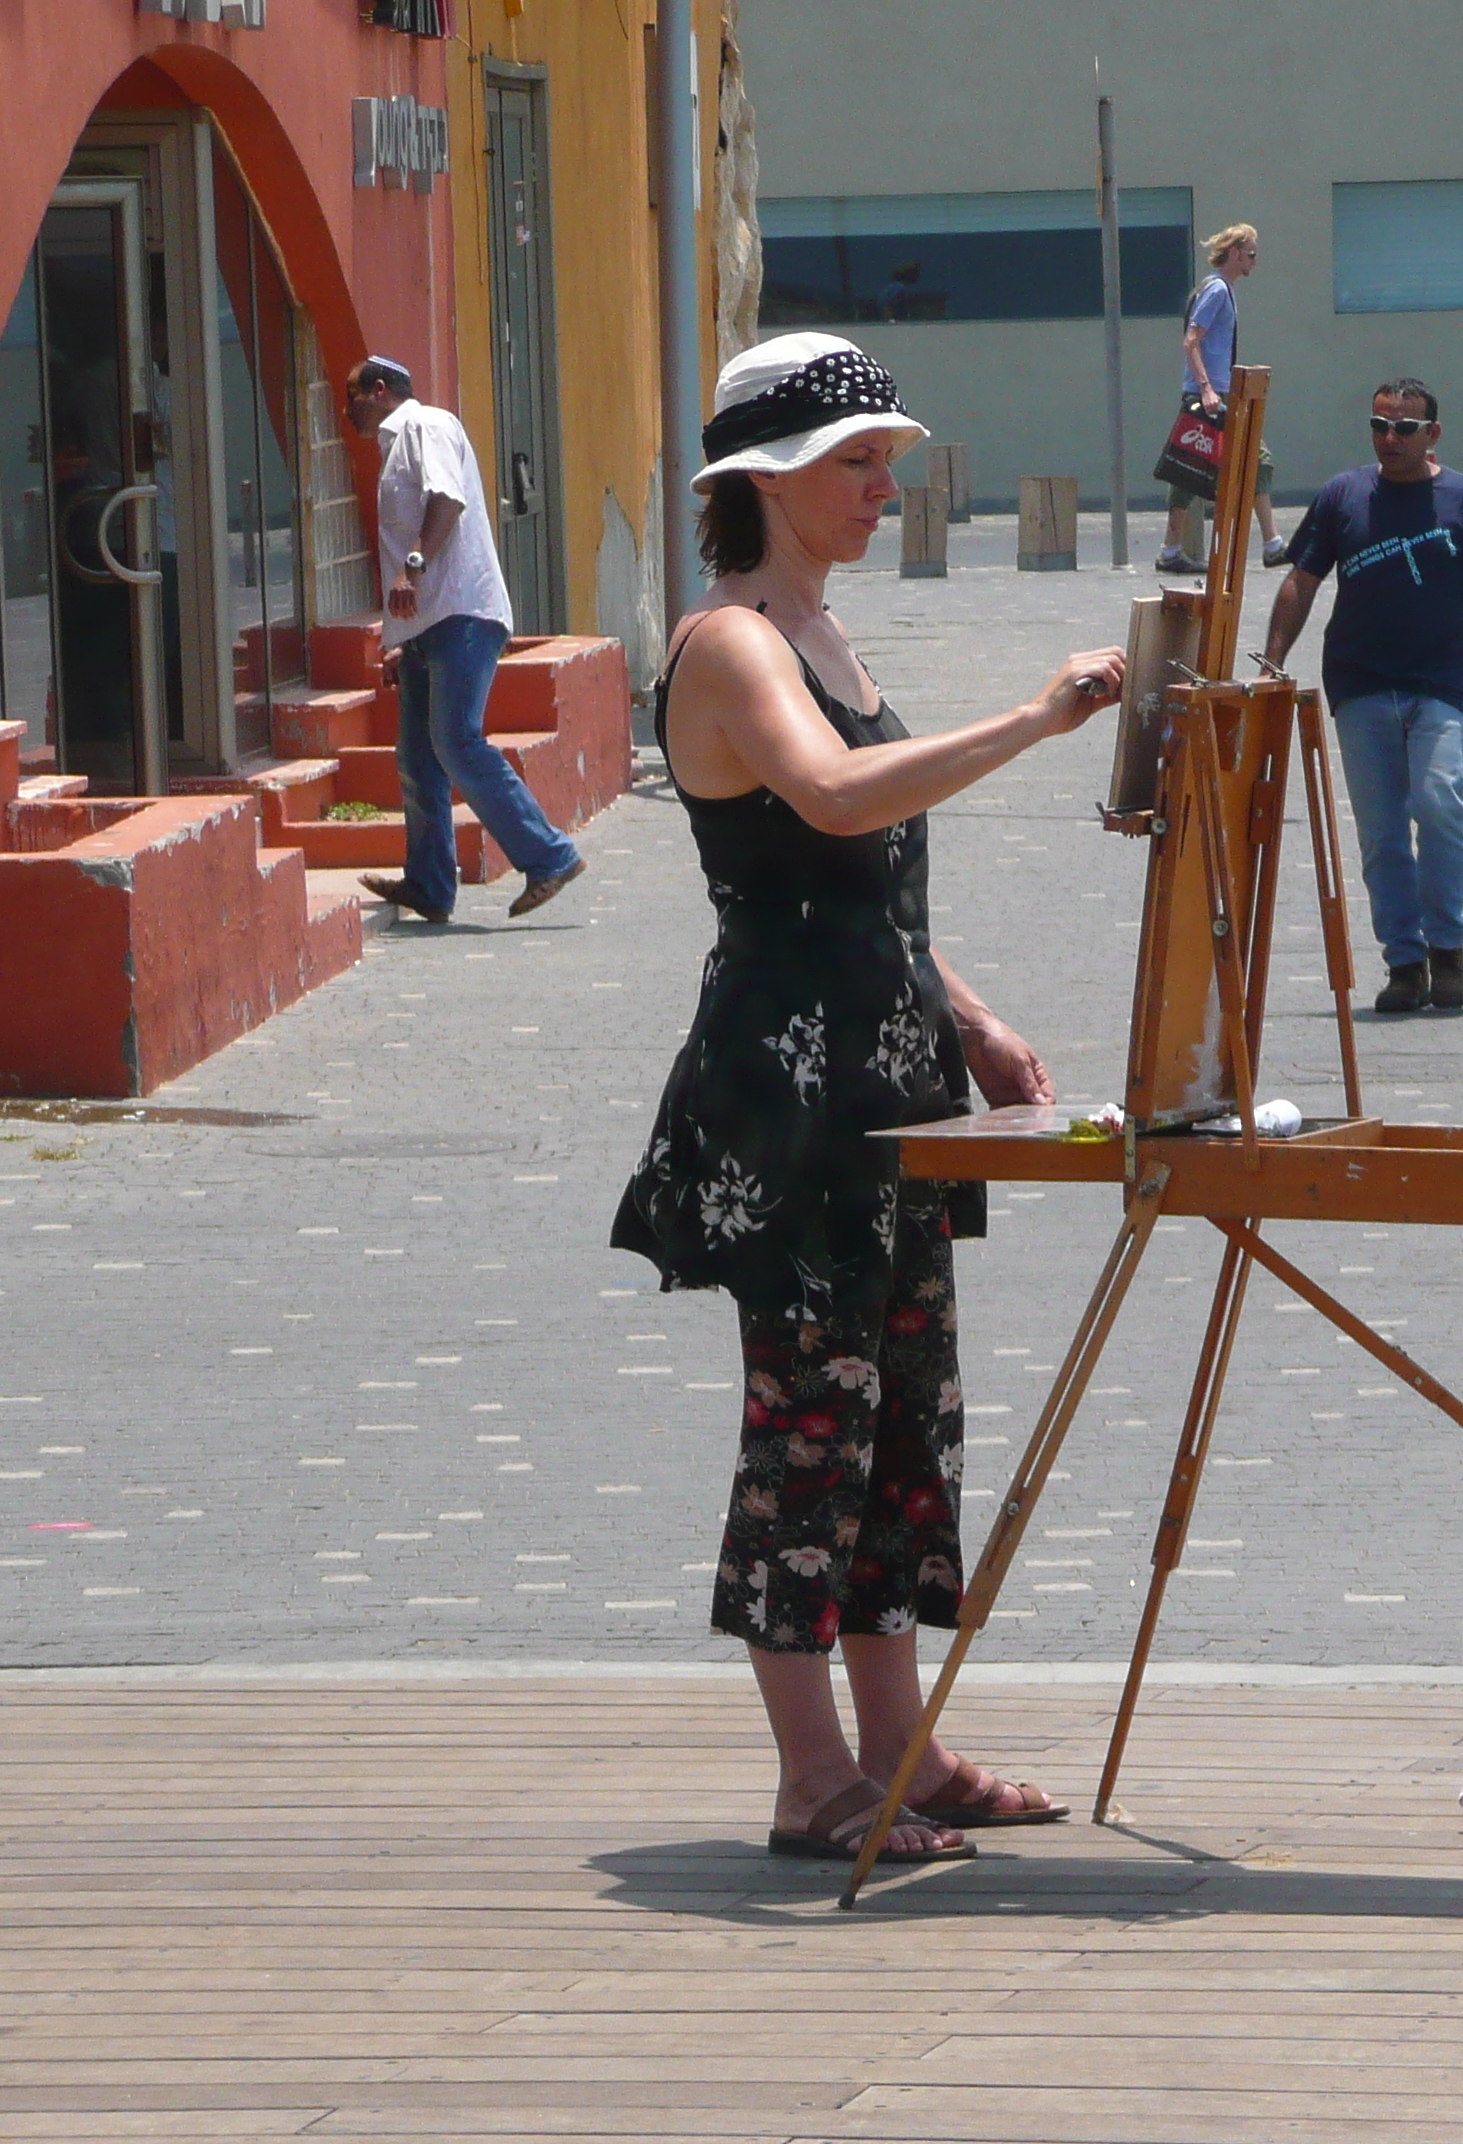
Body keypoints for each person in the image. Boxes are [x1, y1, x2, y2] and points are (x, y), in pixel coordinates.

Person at [610, 332, 1127, 1867]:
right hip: (788, 1100)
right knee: (810, 1427)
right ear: (765, 477)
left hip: (891, 1081)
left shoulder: (825, 636)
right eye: (857, 460)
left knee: (908, 1418)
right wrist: (1034, 723)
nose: (883, 485)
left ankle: (901, 1746)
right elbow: (834, 803)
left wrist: (968, 1017)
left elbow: (863, 887)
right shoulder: (730, 643)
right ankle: (811, 1776)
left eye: (886, 458)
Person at [1261, 377, 1463, 1014]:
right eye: (1379, 425)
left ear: (1432, 434)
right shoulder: (1343, 496)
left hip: (1440, 684)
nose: (1389, 439)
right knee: (1380, 833)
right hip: (1360, 682)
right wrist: (1273, 659)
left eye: (1404, 428)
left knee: (1439, 803)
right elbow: (1302, 580)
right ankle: (1404, 962)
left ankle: (1447, 950)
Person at [341, 357, 586, 926]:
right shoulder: (394, 445)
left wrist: (413, 568)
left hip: (462, 615)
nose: (346, 406)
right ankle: (428, 886)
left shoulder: (427, 425)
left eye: (351, 394)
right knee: (419, 758)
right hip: (428, 626)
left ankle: (549, 855)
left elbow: (447, 500)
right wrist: (402, 638)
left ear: (379, 391)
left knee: (455, 740)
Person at [1155, 223, 1284, 576]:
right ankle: (1271, 544)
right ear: (1235, 253)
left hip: (1217, 390)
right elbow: (1191, 340)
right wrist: (1208, 388)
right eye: (1252, 254)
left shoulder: (1222, 289)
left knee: (1190, 467)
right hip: (1211, 393)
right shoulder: (1217, 291)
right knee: (1248, 460)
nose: (1255, 261)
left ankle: (1171, 550)